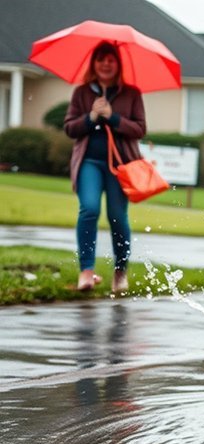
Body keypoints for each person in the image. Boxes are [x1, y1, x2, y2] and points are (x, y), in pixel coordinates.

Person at [63, 41, 147, 293]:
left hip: (120, 166)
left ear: (117, 64)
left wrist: (112, 117)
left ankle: (120, 273)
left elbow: (140, 129)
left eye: (111, 59)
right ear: (94, 64)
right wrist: (90, 117)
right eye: (101, 59)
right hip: (89, 161)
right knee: (88, 209)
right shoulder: (81, 93)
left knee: (117, 217)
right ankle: (86, 272)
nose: (106, 64)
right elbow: (69, 128)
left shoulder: (131, 93)